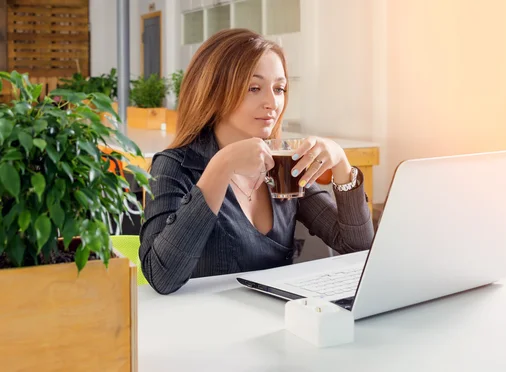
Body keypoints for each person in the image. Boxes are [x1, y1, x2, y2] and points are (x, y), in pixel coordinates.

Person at [139, 28, 374, 295]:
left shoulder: (283, 163)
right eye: (254, 88)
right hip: (207, 329)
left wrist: (342, 167)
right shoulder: (174, 166)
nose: (272, 102)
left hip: (275, 325)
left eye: (279, 88)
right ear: (215, 91)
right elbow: (162, 277)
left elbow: (359, 251)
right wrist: (221, 165)